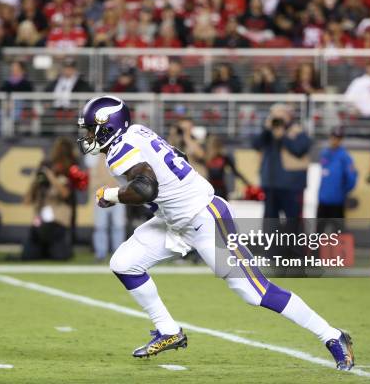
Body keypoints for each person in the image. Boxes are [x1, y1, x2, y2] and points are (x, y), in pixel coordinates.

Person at [77, 95, 354, 369]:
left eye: (91, 129)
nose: (89, 135)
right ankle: (168, 330)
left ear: (108, 126)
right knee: (124, 263)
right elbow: (179, 158)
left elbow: (147, 188)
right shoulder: (137, 132)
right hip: (176, 220)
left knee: (255, 293)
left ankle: (332, 335)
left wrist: (111, 194)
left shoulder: (119, 152)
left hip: (206, 219)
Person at [253, 104, 312, 219]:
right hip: (270, 185)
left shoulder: (297, 131)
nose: (278, 118)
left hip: (292, 186)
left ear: (289, 116)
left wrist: (283, 136)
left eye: (281, 114)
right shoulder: (268, 133)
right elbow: (256, 144)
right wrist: (267, 128)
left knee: (293, 222)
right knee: (270, 222)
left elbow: (299, 149)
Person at [22, 142, 74, 261]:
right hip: (40, 224)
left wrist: (51, 177)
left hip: (56, 224)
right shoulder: (39, 184)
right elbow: (26, 201)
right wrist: (34, 182)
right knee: (27, 256)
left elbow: (65, 194)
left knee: (59, 256)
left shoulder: (60, 180)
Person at [85, 153, 126, 262]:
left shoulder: (118, 149)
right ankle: (100, 254)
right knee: (100, 225)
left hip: (118, 191)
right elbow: (91, 173)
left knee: (118, 225)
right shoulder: (93, 155)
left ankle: (119, 254)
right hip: (100, 191)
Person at [317, 126, 358, 231]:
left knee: (338, 231)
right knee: (319, 231)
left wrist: (342, 191)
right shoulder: (324, 153)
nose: (335, 140)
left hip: (337, 201)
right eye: (333, 137)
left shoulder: (345, 157)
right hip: (323, 199)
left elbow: (351, 178)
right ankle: (316, 248)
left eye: (338, 138)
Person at [205, 135, 250, 200]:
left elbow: (235, 172)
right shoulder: (208, 157)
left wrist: (246, 182)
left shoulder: (223, 158)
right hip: (213, 189)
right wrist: (247, 182)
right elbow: (235, 172)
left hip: (217, 189)